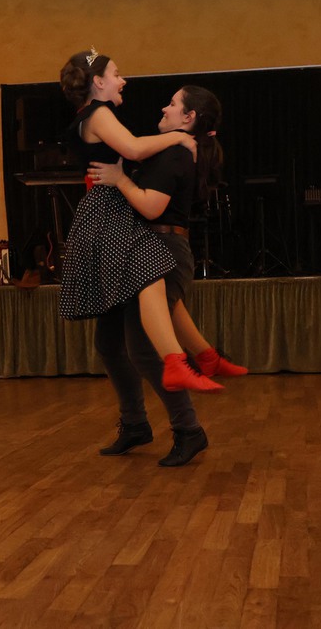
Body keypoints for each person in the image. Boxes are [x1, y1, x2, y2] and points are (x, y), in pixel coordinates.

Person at [58, 49, 245, 394]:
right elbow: (132, 149)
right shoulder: (98, 112)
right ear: (98, 82)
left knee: (153, 285)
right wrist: (179, 136)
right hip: (109, 210)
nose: (123, 80)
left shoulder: (92, 115)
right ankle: (183, 361)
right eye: (116, 74)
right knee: (150, 282)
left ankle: (196, 357)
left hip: (111, 209)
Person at [87, 85, 226, 467]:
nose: (164, 107)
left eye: (173, 104)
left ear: (189, 117)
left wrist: (120, 179)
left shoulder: (176, 152)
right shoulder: (169, 148)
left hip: (160, 251)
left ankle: (188, 429)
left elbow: (151, 207)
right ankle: (135, 424)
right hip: (136, 251)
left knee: (143, 349)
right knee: (109, 343)